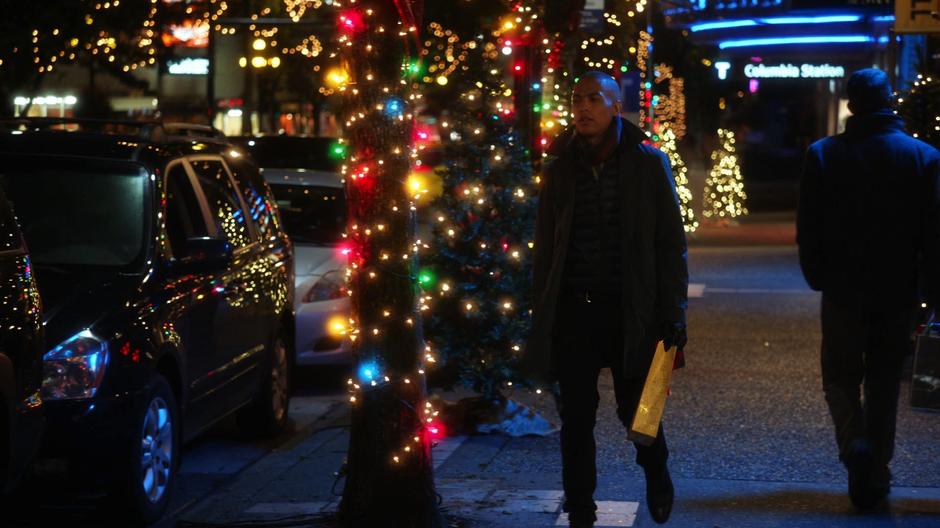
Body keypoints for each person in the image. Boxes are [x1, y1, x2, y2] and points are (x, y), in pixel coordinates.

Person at [523, 71, 689, 527]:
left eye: (594, 98)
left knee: (638, 411)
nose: (583, 107)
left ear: (616, 106)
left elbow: (669, 244)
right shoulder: (559, 168)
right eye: (577, 99)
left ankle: (657, 472)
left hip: (630, 309)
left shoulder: (647, 164)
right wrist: (544, 311)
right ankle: (580, 508)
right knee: (576, 416)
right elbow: (546, 247)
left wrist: (673, 312)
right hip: (576, 308)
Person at [797, 68, 940, 510]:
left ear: (852, 104)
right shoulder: (924, 157)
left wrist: (818, 275)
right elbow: (933, 234)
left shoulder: (823, 154)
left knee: (839, 378)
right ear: (890, 101)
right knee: (882, 384)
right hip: (897, 289)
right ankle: (874, 473)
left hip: (841, 288)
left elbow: (810, 226)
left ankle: (855, 444)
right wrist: (929, 291)